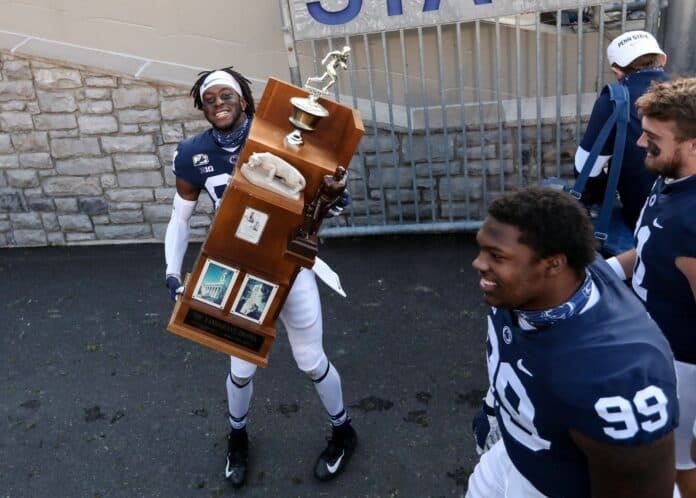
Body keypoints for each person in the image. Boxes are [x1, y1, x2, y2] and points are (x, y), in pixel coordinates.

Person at [163, 67, 357, 488]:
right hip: (236, 268)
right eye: (209, 98)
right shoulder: (193, 153)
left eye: (225, 95)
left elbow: (329, 205)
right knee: (242, 366)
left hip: (288, 264)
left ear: (244, 100)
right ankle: (237, 437)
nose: (218, 103)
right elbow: (180, 218)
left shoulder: (282, 135)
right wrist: (172, 272)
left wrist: (335, 190)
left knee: (310, 359)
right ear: (203, 106)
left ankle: (343, 430)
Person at [467, 186, 678, 498]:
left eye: (497, 256)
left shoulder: (617, 375)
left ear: (553, 265)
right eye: (483, 249)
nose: (479, 264)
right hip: (519, 455)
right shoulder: (539, 284)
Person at [605, 77, 696, 498]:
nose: (641, 143)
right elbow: (647, 252)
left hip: (684, 371)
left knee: (680, 469)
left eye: (653, 136)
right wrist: (593, 277)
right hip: (656, 353)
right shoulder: (672, 178)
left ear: (692, 145)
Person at [575, 30, 669, 230]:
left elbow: (586, 167)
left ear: (617, 70)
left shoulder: (614, 100)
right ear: (663, 59)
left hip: (643, 220)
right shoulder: (687, 96)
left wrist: (599, 192)